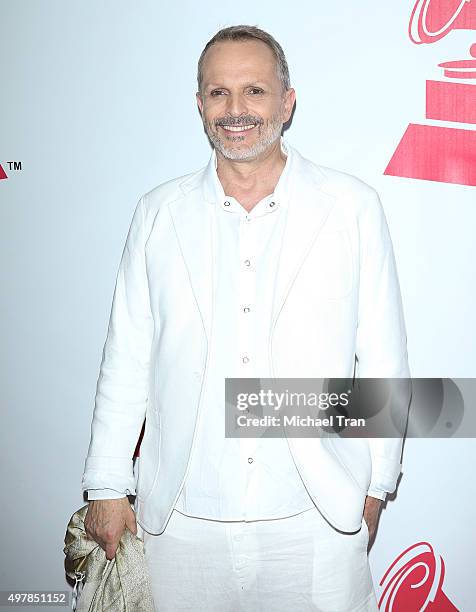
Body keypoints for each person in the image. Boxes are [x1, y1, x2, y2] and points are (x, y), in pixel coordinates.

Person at [82, 24, 410, 611]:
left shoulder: (353, 208)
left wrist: (378, 487)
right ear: (200, 105)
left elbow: (382, 355)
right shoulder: (158, 214)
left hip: (315, 518)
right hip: (180, 522)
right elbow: (126, 356)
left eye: (254, 91)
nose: (236, 110)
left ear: (286, 101)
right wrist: (107, 485)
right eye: (218, 93)